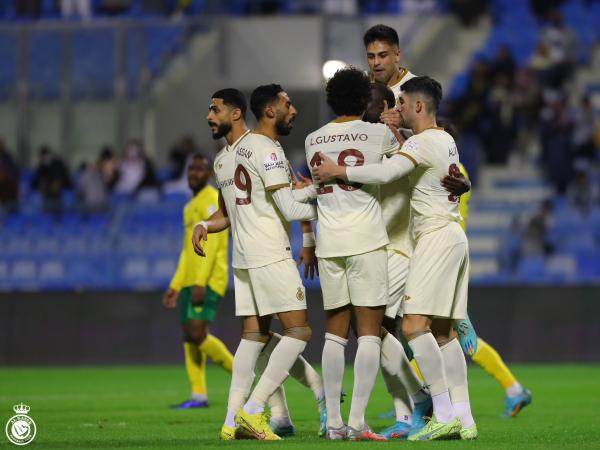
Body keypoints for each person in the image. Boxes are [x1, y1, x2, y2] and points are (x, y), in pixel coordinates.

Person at [364, 24, 530, 425]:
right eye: (370, 56)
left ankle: (425, 409)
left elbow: (441, 146)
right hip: (394, 228)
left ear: (398, 55)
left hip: (418, 232)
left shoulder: (414, 94)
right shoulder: (371, 96)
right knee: (425, 330)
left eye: (383, 56)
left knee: (395, 326)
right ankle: (448, 413)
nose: (376, 63)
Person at [314, 76, 476, 440]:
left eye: (400, 103)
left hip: (428, 238)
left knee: (412, 327)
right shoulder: (444, 139)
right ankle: (463, 420)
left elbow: (388, 171)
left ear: (417, 106)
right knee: (442, 333)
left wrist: (338, 170)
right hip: (451, 235)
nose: (394, 110)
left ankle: (441, 410)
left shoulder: (419, 142)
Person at [191, 88, 325, 440]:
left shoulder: (230, 157)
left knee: (253, 337)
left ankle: (231, 420)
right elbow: (233, 212)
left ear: (235, 114)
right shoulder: (261, 150)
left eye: (214, 109)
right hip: (268, 254)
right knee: (299, 332)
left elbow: (255, 205)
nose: (209, 116)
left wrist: (310, 192)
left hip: (246, 260)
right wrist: (330, 201)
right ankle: (253, 410)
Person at [305, 68, 421, 442]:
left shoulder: (312, 140)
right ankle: (357, 422)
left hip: (329, 244)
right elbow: (408, 157)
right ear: (362, 100)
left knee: (335, 336)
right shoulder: (377, 134)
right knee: (370, 334)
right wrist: (395, 125)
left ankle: (335, 424)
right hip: (368, 242)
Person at [162, 152, 233, 409]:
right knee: (189, 336)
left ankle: (242, 377)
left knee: (197, 332)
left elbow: (212, 245)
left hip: (209, 280)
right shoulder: (189, 206)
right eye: (191, 170)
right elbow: (186, 250)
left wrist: (201, 282)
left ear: (209, 174)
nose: (194, 174)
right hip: (191, 280)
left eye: (200, 170)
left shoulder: (213, 200)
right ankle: (199, 395)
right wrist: (175, 284)